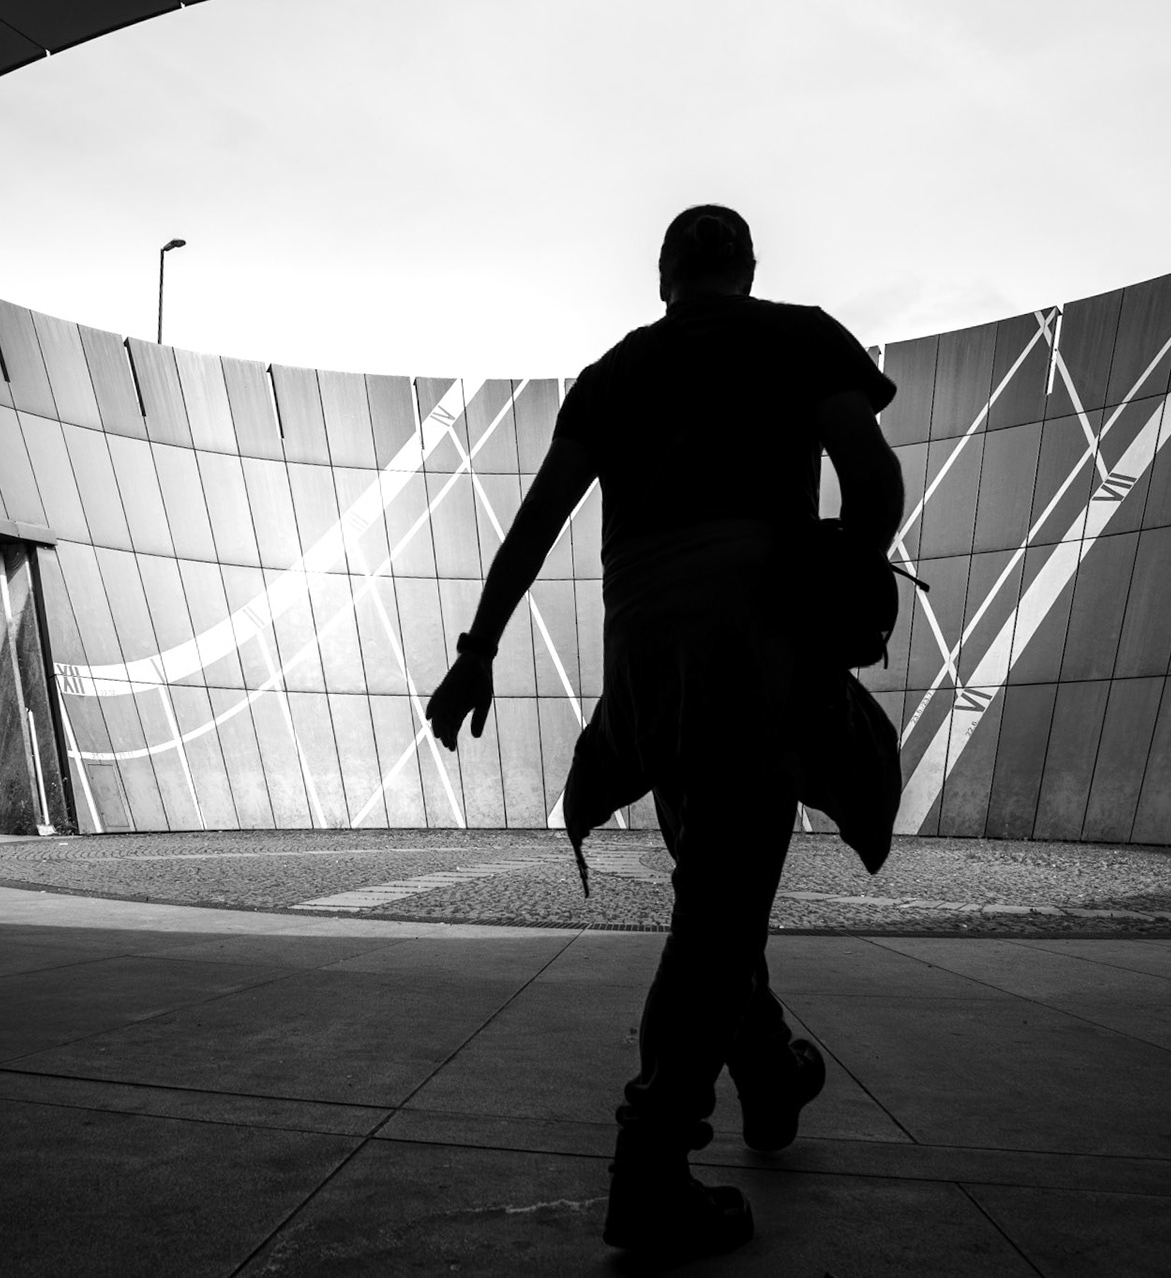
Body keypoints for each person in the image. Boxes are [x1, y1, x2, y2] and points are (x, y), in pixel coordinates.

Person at [424, 204, 903, 1257]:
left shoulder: (614, 375)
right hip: (754, 639)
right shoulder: (798, 336)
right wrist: (847, 575)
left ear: (662, 280)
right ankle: (650, 1166)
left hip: (647, 657)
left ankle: (770, 1069)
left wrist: (478, 648)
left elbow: (538, 522)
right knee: (723, 910)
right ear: (747, 268)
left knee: (715, 890)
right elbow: (871, 479)